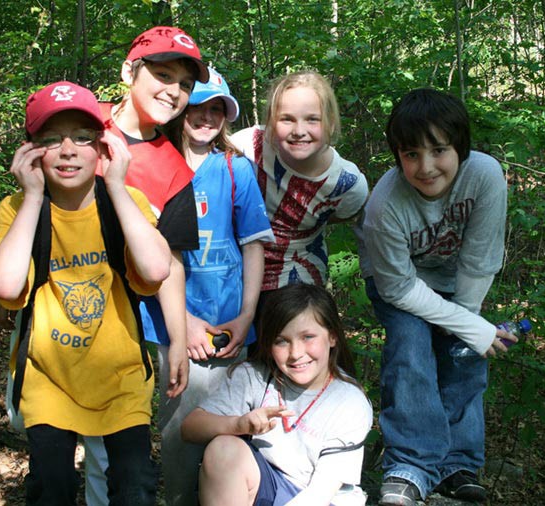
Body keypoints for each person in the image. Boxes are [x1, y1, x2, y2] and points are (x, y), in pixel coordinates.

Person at [0, 81, 171, 505]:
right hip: (49, 380)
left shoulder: (125, 203)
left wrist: (119, 186)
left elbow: (156, 269)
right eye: (51, 139)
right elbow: (6, 285)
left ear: (104, 146)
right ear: (30, 150)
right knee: (51, 487)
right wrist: (33, 195)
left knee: (135, 485)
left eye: (84, 138)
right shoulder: (16, 209)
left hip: (121, 378)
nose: (68, 149)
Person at [354, 88, 515, 506]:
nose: (425, 167)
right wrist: (469, 327)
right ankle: (410, 465)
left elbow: (479, 261)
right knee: (411, 350)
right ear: (398, 157)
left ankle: (458, 463)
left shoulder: (485, 175)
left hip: (456, 278)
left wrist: (468, 327)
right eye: (410, 154)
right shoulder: (385, 206)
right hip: (398, 281)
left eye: (439, 150)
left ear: (460, 147)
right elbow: (399, 288)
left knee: (464, 357)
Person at [83, 26, 209, 505]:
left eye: (184, 83)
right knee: (40, 435)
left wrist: (178, 338)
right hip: (49, 315)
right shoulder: (80, 123)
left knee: (110, 457)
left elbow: (172, 261)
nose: (172, 90)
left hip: (119, 324)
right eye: (161, 74)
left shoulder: (173, 167)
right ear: (128, 72)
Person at [153, 66, 274, 506]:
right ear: (180, 110)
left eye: (217, 111)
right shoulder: (157, 165)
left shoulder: (235, 167)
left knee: (232, 424)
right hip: (173, 323)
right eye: (198, 109)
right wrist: (184, 323)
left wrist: (246, 316)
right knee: (181, 429)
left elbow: (254, 245)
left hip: (230, 325)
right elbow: (145, 257)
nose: (206, 119)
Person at [181, 283, 373, 506]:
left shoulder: (350, 402)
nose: (296, 353)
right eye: (282, 341)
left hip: (321, 498)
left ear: (332, 337)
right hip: (267, 483)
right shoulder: (254, 377)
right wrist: (238, 424)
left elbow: (319, 494)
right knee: (223, 449)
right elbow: (190, 428)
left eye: (308, 337)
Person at [231, 70, 368, 308]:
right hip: (235, 261)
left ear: (331, 123)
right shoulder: (248, 147)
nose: (299, 130)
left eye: (312, 119)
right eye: (287, 119)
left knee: (292, 329)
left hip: (298, 268)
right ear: (272, 122)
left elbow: (340, 216)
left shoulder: (346, 183)